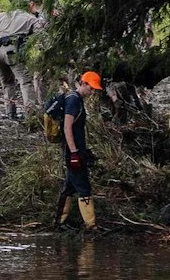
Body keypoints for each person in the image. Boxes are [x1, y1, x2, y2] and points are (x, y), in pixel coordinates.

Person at [53, 70, 102, 230]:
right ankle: (91, 226)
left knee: (69, 187)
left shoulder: (77, 99)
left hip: (77, 150)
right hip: (73, 151)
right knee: (84, 187)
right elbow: (67, 127)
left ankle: (59, 222)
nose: (92, 91)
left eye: (95, 89)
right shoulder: (73, 100)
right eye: (91, 88)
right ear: (83, 83)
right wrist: (74, 152)